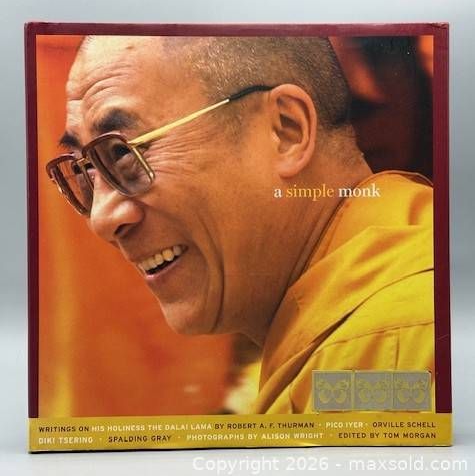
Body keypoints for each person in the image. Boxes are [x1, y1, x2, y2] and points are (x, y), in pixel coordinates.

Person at [46, 36, 434, 414]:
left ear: (286, 130)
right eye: (85, 171)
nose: (102, 219)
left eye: (122, 153)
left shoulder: (389, 348)